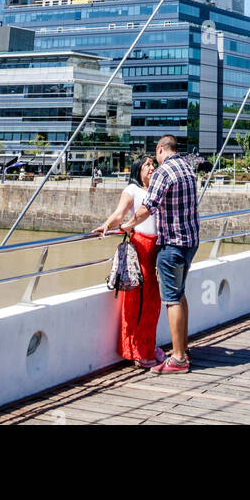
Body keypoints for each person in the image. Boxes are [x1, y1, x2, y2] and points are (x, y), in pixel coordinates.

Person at [125, 134, 199, 375]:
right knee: (180, 294)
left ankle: (177, 359)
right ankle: (183, 349)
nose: (153, 165)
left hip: (172, 245)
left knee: (171, 299)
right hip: (190, 242)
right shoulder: (188, 168)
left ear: (160, 149)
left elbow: (148, 207)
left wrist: (129, 224)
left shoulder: (163, 172)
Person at [94, 156, 163, 370]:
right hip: (141, 248)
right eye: (147, 165)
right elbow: (119, 214)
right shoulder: (132, 190)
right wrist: (106, 225)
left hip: (158, 247)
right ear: (137, 169)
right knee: (139, 301)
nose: (152, 168)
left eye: (153, 164)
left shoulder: (157, 189)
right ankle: (137, 351)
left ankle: (149, 346)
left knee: (154, 303)